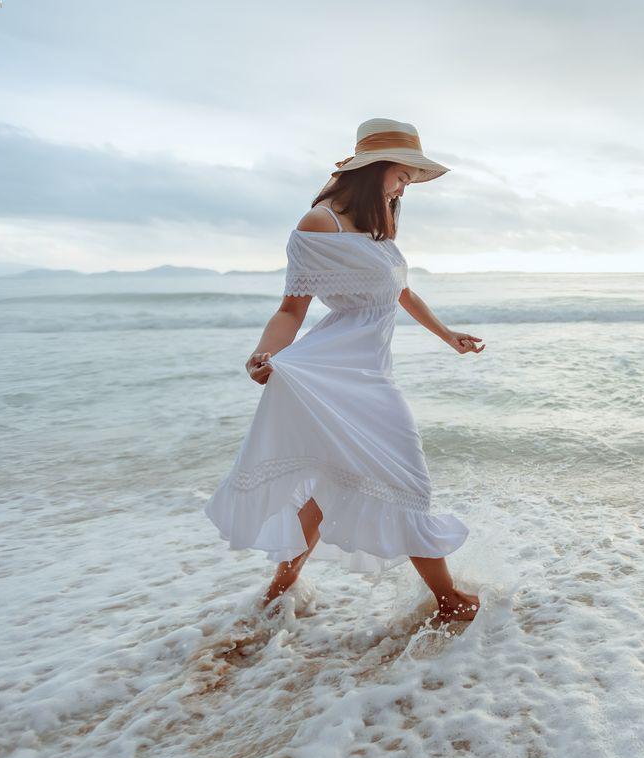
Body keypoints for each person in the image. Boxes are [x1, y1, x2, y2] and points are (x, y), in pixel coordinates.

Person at [204, 118, 484, 624]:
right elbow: (292, 308)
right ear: (374, 168)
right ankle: (447, 600)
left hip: (371, 375)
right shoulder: (319, 224)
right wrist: (262, 354)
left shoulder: (381, 230)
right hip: (330, 375)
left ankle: (278, 592)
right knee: (409, 481)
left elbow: (400, 293)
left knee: (327, 487)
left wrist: (447, 335)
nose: (404, 187)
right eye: (402, 175)